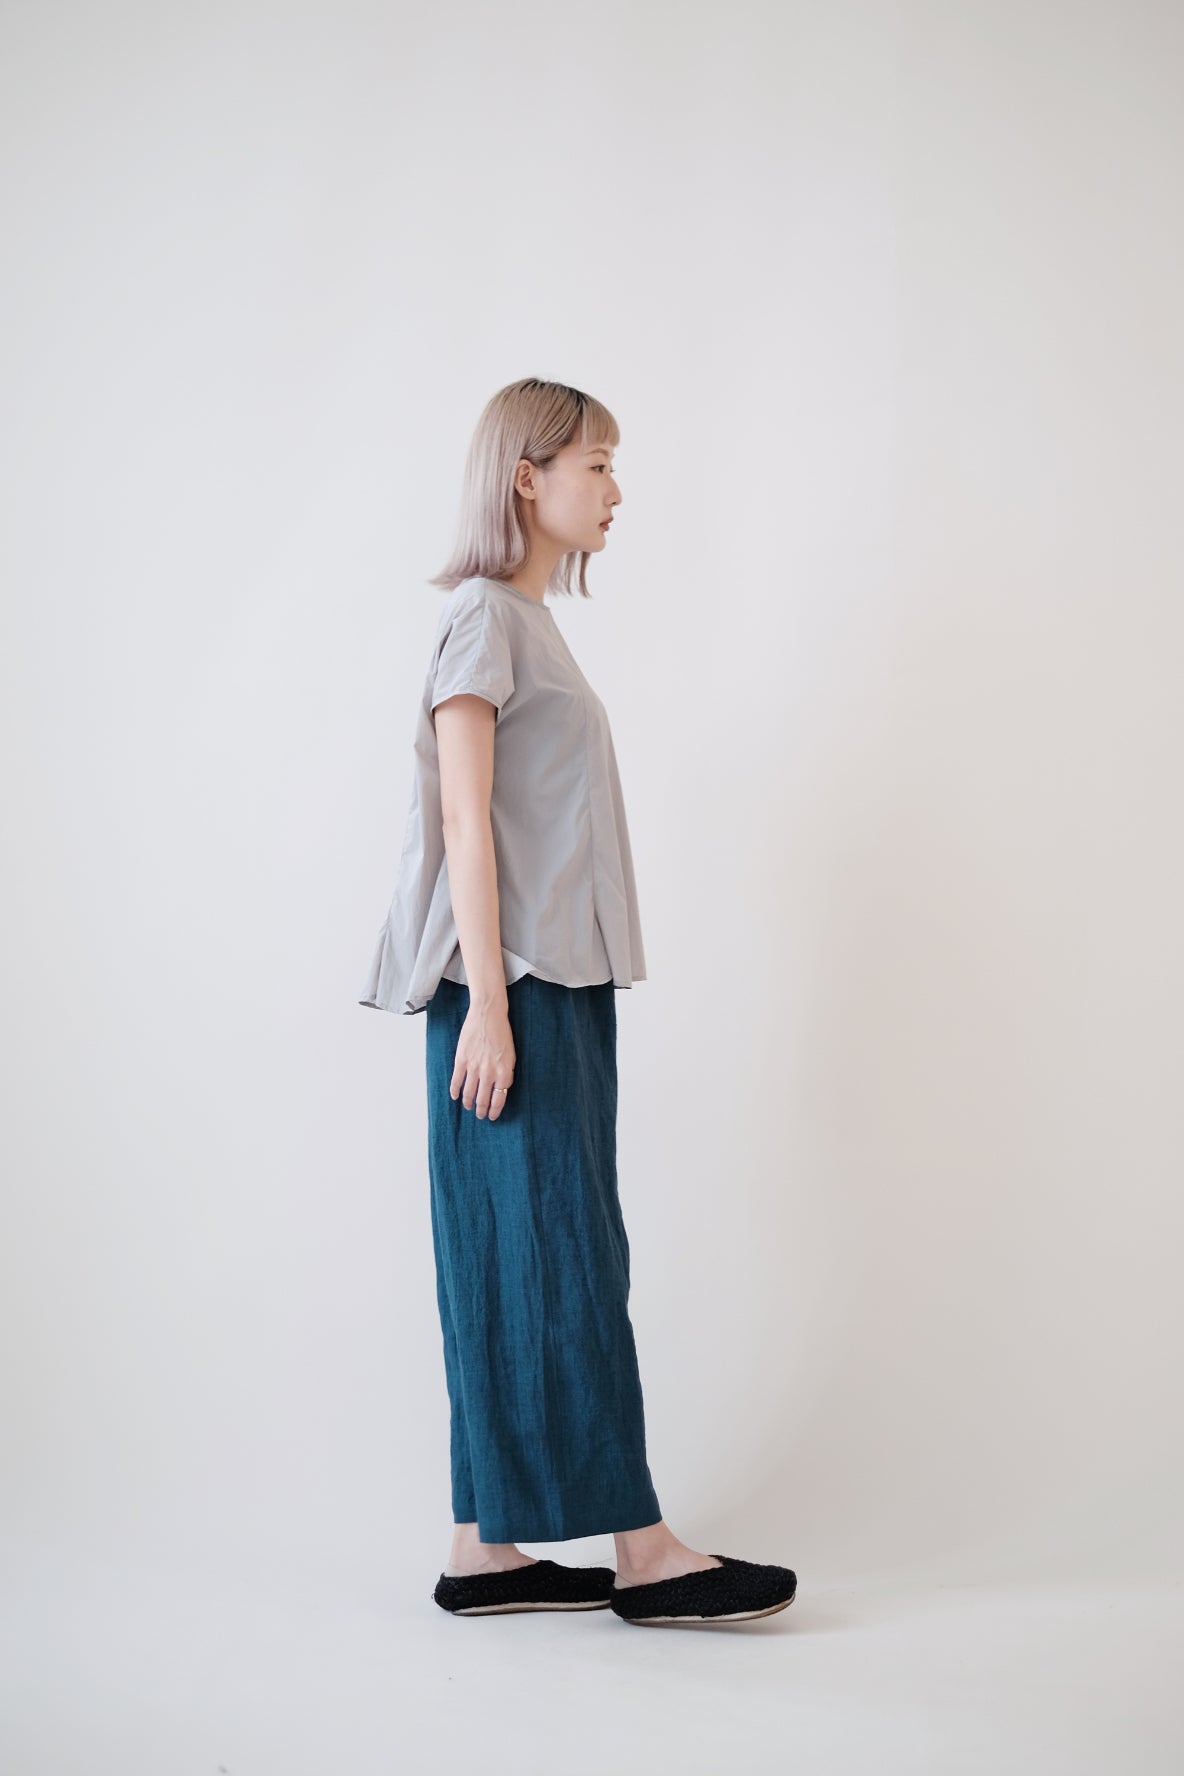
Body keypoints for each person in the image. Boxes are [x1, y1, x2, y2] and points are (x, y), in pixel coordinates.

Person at [360, 377, 796, 1625]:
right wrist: (492, 1009)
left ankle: (481, 1549)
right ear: (526, 476)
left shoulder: (527, 626)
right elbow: (464, 818)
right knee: (559, 1254)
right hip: (514, 990)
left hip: (546, 983)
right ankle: (643, 1554)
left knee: (517, 1254)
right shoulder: (484, 619)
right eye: (595, 463)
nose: (614, 489)